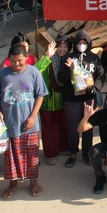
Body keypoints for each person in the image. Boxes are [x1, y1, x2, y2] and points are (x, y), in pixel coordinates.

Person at [0, 42, 47, 199]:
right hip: (10, 125)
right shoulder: (2, 75)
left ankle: (33, 183)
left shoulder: (34, 72)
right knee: (11, 157)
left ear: (26, 58)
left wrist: (33, 116)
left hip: (30, 125)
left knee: (32, 155)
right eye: (13, 61)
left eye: (19, 60)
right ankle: (12, 184)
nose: (16, 64)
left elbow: (40, 95)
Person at [59, 31, 101, 168]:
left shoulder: (94, 58)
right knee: (72, 127)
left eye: (84, 42)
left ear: (88, 44)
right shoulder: (68, 58)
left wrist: (94, 88)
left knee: (88, 126)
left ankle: (87, 153)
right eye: (79, 42)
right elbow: (61, 78)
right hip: (72, 99)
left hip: (88, 98)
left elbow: (100, 75)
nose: (81, 45)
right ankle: (72, 153)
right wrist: (69, 69)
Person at [34, 38, 68, 166]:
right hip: (48, 101)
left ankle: (63, 148)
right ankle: (50, 154)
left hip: (63, 100)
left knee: (63, 126)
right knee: (49, 128)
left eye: (65, 47)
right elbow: (35, 71)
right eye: (60, 46)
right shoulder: (47, 61)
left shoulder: (68, 60)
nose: (62, 49)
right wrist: (47, 57)